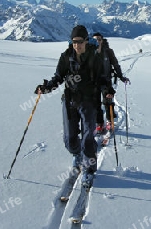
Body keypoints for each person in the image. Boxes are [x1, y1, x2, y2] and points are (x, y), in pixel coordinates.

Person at [34, 25, 115, 188]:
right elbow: (58, 77)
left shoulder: (95, 57)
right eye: (73, 42)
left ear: (86, 41)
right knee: (70, 139)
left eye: (79, 41)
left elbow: (103, 78)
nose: (76, 45)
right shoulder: (65, 57)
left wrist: (107, 89)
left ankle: (89, 170)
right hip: (70, 101)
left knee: (87, 138)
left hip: (89, 102)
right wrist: (47, 87)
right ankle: (77, 154)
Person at [92, 32, 129, 134]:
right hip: (93, 82)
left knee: (108, 101)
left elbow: (115, 64)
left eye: (99, 39)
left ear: (102, 40)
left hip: (106, 80)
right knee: (95, 104)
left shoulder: (108, 51)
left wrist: (121, 76)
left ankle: (110, 121)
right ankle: (99, 123)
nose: (97, 41)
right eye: (95, 39)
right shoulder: (89, 52)